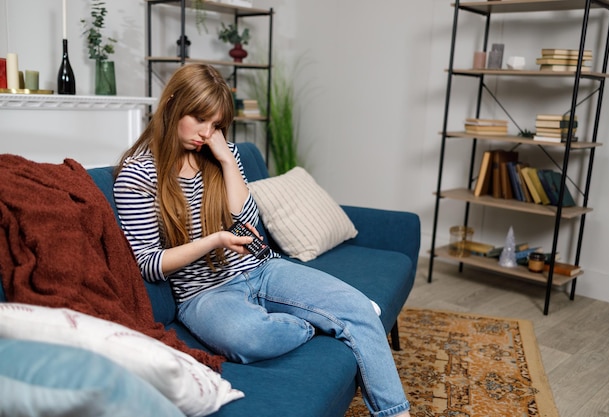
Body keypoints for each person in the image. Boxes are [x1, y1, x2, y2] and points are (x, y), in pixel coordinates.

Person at [113, 64, 410, 417]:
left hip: (264, 269)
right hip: (204, 294)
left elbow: (248, 222)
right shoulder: (137, 175)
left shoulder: (221, 156)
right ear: (173, 103)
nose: (206, 133)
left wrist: (224, 159)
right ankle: (319, 321)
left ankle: (395, 412)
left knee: (360, 310)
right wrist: (214, 240)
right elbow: (148, 264)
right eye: (199, 119)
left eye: (217, 125)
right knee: (250, 338)